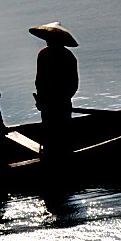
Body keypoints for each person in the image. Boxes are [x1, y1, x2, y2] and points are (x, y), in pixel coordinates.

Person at [29, 22, 79, 156]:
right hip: (55, 103)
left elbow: (40, 81)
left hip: (54, 103)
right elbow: (73, 84)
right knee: (58, 134)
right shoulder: (64, 56)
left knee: (55, 134)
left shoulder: (47, 55)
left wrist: (46, 100)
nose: (46, 40)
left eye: (49, 38)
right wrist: (44, 100)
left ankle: (57, 157)